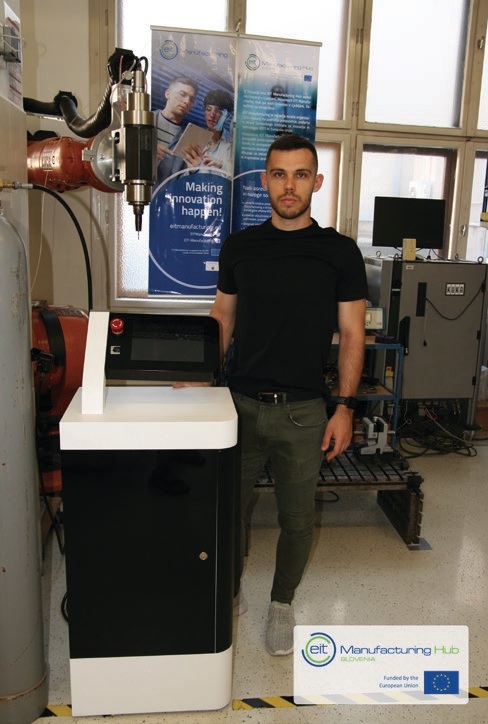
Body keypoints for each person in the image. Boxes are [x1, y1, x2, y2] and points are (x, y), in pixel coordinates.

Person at [208, 133, 368, 657]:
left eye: (301, 175)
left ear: (316, 182)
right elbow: (222, 318)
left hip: (303, 412)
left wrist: (344, 408)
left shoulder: (339, 252)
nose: (290, 185)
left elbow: (353, 335)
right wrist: (200, 376)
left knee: (297, 520)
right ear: (265, 181)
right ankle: (230, 592)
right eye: (279, 174)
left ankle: (281, 604)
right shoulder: (240, 247)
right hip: (238, 407)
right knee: (227, 513)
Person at [179, 89, 234, 175]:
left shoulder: (234, 143)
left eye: (218, 111)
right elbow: (180, 178)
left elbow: (241, 176)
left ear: (228, 116)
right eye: (208, 109)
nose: (212, 115)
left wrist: (222, 165)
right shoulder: (193, 140)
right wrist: (192, 171)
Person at [155, 76, 198, 181]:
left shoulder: (189, 137)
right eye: (182, 94)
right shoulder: (142, 122)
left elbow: (183, 180)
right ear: (168, 93)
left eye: (191, 99)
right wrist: (144, 152)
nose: (187, 101)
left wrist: (193, 171)